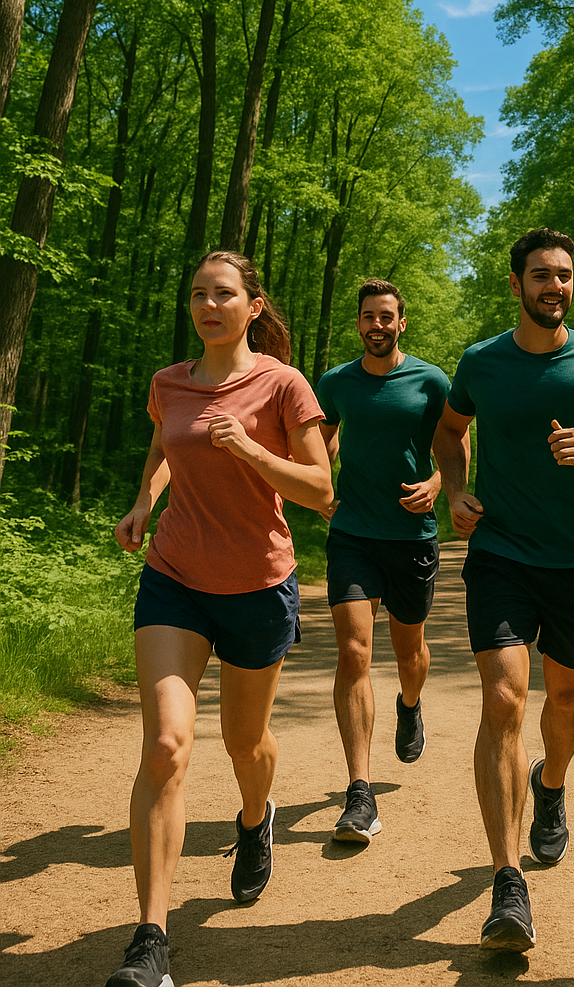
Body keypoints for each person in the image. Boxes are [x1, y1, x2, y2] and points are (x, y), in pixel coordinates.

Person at [106, 251, 333, 987]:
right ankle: (150, 942)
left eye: (224, 294)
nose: (209, 305)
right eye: (198, 294)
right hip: (175, 578)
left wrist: (251, 452)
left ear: (254, 306)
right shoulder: (168, 382)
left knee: (245, 740)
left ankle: (254, 815)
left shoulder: (282, 384)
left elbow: (320, 491)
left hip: (258, 586)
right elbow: (164, 445)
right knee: (168, 744)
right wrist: (146, 499)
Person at [434, 227, 574, 952]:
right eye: (540, 276)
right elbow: (449, 430)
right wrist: (456, 491)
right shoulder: (482, 362)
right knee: (503, 699)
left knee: (565, 701)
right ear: (515, 284)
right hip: (499, 553)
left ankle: (551, 782)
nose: (553, 287)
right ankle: (507, 882)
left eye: (563, 276)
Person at [316, 278, 456, 844]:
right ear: (358, 324)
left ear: (402, 323)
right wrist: (321, 490)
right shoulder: (335, 382)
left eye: (386, 317)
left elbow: (454, 440)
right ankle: (359, 791)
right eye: (368, 316)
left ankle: (410, 702)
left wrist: (441, 483)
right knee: (353, 650)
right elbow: (319, 439)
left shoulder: (430, 379)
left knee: (409, 650)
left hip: (412, 535)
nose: (377, 325)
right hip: (353, 533)